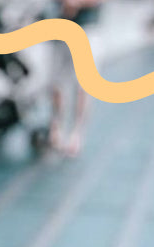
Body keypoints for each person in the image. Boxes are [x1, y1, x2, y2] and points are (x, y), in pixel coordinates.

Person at [48, 0, 104, 156]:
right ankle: (56, 127)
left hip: (86, 28)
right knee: (56, 82)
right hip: (59, 27)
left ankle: (76, 133)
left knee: (83, 85)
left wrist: (77, 3)